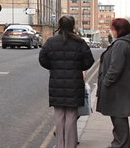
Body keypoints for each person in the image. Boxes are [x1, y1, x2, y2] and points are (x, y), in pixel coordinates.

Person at [39, 15, 95, 148]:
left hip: (56, 83)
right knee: (71, 116)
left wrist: (53, 67)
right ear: (72, 25)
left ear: (60, 25)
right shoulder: (79, 42)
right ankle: (70, 145)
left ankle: (60, 145)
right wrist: (78, 67)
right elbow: (89, 61)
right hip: (75, 83)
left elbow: (42, 59)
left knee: (59, 116)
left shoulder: (51, 41)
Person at [96, 17, 130, 148]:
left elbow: (115, 68)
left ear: (118, 30)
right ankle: (119, 143)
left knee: (119, 118)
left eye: (113, 29)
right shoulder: (124, 43)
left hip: (118, 89)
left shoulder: (121, 44)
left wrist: (106, 83)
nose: (111, 31)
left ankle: (119, 144)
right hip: (121, 88)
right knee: (118, 118)